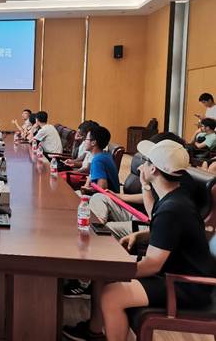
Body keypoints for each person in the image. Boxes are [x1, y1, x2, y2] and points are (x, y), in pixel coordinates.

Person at [63, 139, 215, 341]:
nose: (142, 166)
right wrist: (140, 234)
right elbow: (167, 233)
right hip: (174, 274)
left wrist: (118, 270)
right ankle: (95, 332)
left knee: (112, 296)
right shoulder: (173, 197)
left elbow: (152, 264)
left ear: (153, 169)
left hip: (185, 286)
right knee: (102, 277)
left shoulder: (172, 209)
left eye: (146, 161)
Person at [89, 132, 194, 240]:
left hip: (150, 224)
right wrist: (118, 196)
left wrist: (145, 184)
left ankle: (94, 233)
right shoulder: (163, 176)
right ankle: (96, 225)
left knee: (106, 228)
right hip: (140, 215)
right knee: (99, 197)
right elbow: (151, 197)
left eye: (148, 159)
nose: (143, 164)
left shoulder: (177, 185)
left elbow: (156, 219)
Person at [82, 125, 120, 193]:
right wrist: (87, 185)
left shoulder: (98, 160)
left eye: (86, 139)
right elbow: (91, 176)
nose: (84, 141)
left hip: (107, 197)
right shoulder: (104, 155)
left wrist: (86, 189)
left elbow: (102, 189)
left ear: (93, 142)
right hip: (111, 195)